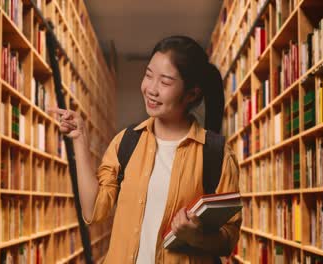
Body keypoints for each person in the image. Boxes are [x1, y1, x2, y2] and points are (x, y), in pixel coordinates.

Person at [50, 35, 241, 263]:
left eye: (166, 82)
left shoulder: (216, 155)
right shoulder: (126, 142)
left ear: (191, 94)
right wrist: (80, 139)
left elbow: (228, 240)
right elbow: (93, 211)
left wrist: (196, 236)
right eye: (149, 75)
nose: (151, 88)